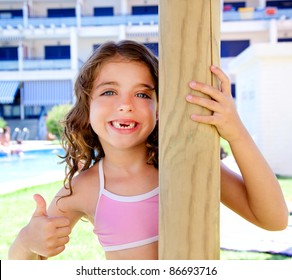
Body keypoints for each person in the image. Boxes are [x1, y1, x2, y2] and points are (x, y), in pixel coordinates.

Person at [8, 40, 288, 260]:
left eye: (143, 94)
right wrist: (26, 242)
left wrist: (235, 130)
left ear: (159, 110)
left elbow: (274, 220)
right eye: (109, 92)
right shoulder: (86, 189)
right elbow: (23, 263)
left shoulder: (189, 163)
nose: (126, 104)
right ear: (86, 109)